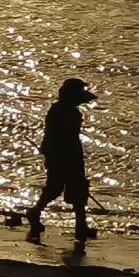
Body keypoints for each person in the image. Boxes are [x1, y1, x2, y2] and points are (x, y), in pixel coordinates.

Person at [26, 77, 97, 241]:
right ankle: (80, 227)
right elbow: (67, 137)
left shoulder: (57, 109)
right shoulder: (69, 112)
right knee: (73, 189)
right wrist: (70, 158)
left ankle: (36, 213)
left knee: (57, 187)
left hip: (58, 152)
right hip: (66, 154)